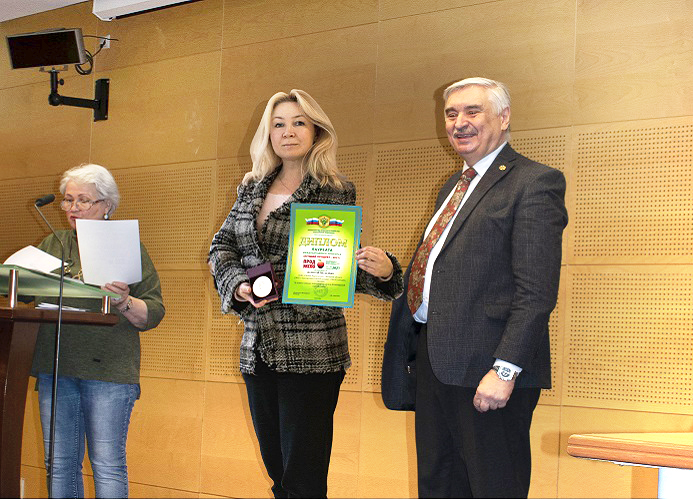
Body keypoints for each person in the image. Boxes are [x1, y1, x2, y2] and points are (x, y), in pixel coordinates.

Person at [209, 89, 403, 499]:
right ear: (268, 134)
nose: (288, 132)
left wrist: (385, 272)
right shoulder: (250, 189)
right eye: (278, 124)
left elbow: (334, 268)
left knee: (303, 478)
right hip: (258, 346)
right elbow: (221, 247)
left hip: (312, 348)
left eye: (299, 123)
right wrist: (239, 284)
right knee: (278, 472)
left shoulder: (334, 190)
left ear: (316, 132)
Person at [381, 77, 568, 498]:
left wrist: (505, 370)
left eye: (472, 111)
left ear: (503, 118)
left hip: (489, 370)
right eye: (451, 114)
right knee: (438, 485)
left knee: (492, 488)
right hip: (435, 364)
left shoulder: (535, 182)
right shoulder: (453, 187)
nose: (459, 123)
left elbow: (536, 292)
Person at [31, 163, 165, 498]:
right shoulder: (52, 244)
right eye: (68, 199)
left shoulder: (126, 245)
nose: (73, 208)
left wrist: (124, 301)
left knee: (106, 466)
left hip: (108, 371)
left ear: (106, 205)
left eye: (83, 200)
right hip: (56, 368)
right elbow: (21, 290)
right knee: (59, 464)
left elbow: (154, 312)